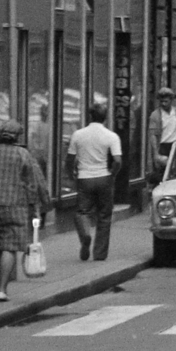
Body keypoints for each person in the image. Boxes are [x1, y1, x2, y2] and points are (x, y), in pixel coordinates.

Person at [0, 121, 50, 301]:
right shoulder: (23, 154)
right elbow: (33, 183)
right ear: (17, 137)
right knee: (9, 247)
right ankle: (2, 289)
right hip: (15, 205)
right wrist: (39, 205)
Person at [67, 102, 121, 262]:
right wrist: (113, 174)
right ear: (105, 118)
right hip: (104, 177)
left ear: (90, 116)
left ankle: (85, 235)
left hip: (84, 177)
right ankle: (99, 254)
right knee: (104, 215)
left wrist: (71, 173)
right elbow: (117, 160)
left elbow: (70, 158)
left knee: (82, 211)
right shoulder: (111, 136)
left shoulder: (78, 134)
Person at [147, 87, 176, 182]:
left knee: (175, 171)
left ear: (171, 100)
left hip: (175, 144)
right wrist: (155, 153)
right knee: (163, 172)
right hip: (163, 146)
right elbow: (152, 134)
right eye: (161, 101)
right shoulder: (155, 115)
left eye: (166, 101)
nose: (163, 104)